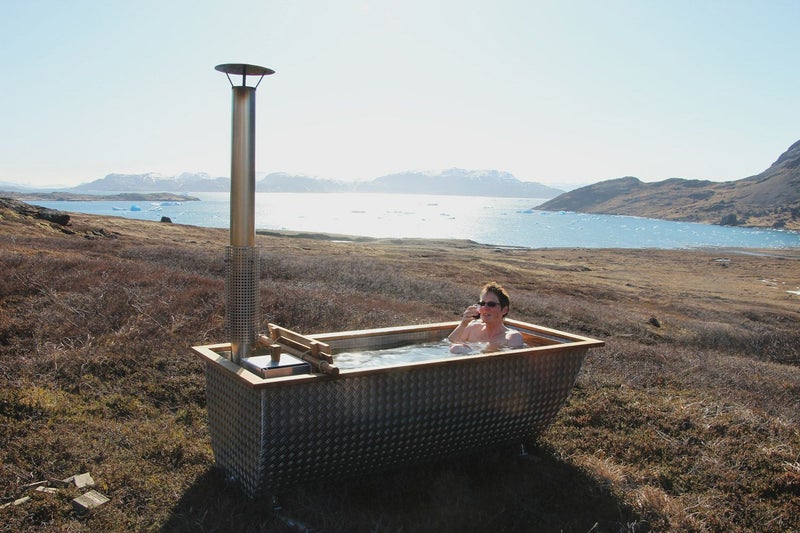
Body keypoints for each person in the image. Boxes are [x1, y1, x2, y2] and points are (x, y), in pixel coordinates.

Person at [447, 281, 525, 354]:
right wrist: (463, 324)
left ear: (505, 310)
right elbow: (447, 345)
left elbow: (511, 362)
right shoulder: (472, 328)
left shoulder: (512, 337)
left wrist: (471, 353)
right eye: (482, 303)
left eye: (491, 304)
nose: (485, 308)